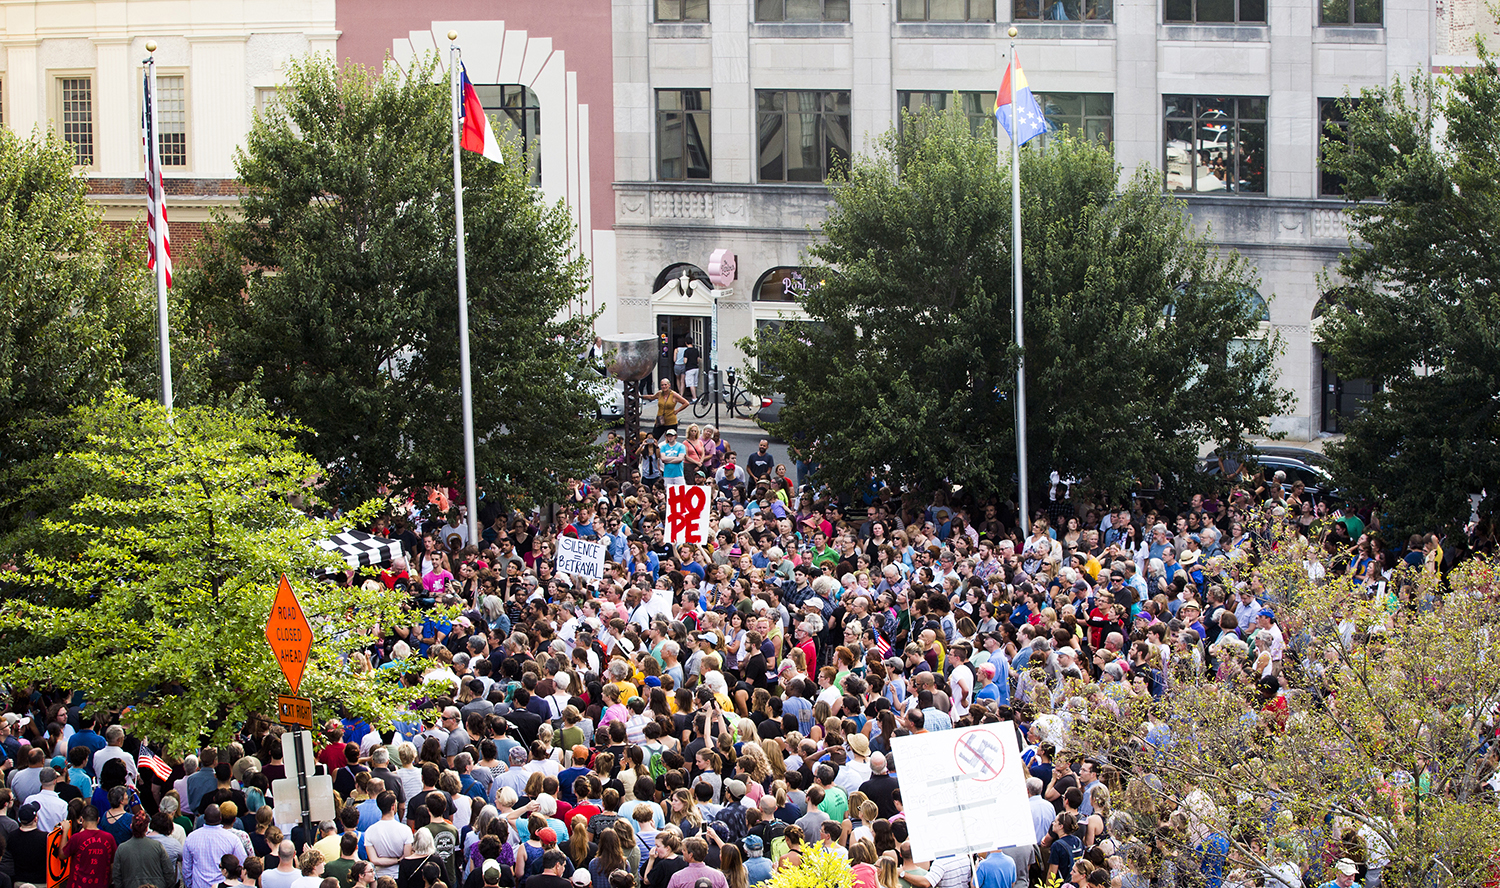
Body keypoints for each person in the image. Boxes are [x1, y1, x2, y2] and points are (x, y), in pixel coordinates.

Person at [182, 804, 246, 888]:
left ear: (204, 818)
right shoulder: (232, 839)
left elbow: (186, 868)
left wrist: (190, 885)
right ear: (220, 818)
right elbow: (242, 864)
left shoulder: (191, 838)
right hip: (224, 885)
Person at [56, 805, 116, 888]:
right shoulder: (109, 838)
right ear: (98, 820)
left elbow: (62, 855)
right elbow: (112, 864)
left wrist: (65, 831)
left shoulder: (77, 838)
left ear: (82, 819)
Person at [112, 812, 176, 888]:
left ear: (131, 827)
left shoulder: (121, 849)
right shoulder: (157, 846)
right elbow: (169, 872)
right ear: (146, 828)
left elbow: (116, 876)